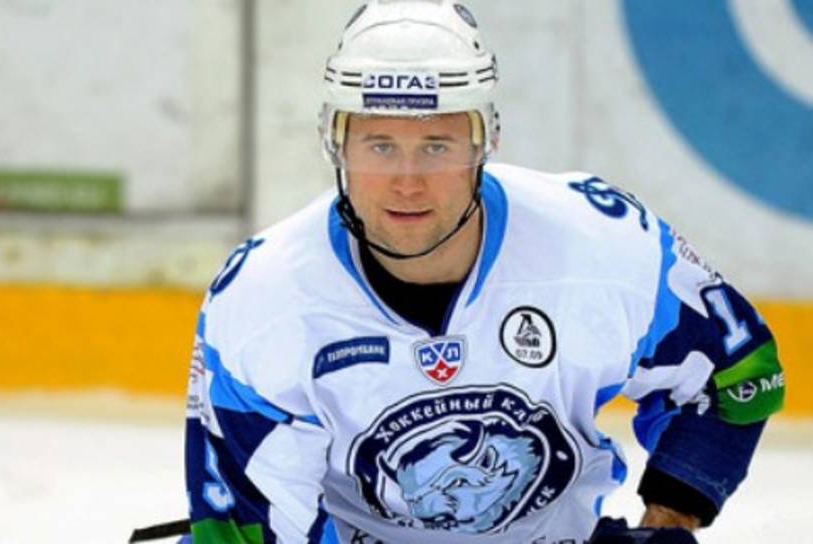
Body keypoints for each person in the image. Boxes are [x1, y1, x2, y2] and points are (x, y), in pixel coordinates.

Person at [184, 1, 784, 542]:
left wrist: (668, 519)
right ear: (335, 144)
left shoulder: (602, 244)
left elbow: (737, 373)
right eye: (380, 145)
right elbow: (237, 531)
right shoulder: (263, 298)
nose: (407, 181)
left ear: (486, 141)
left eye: (437, 145)